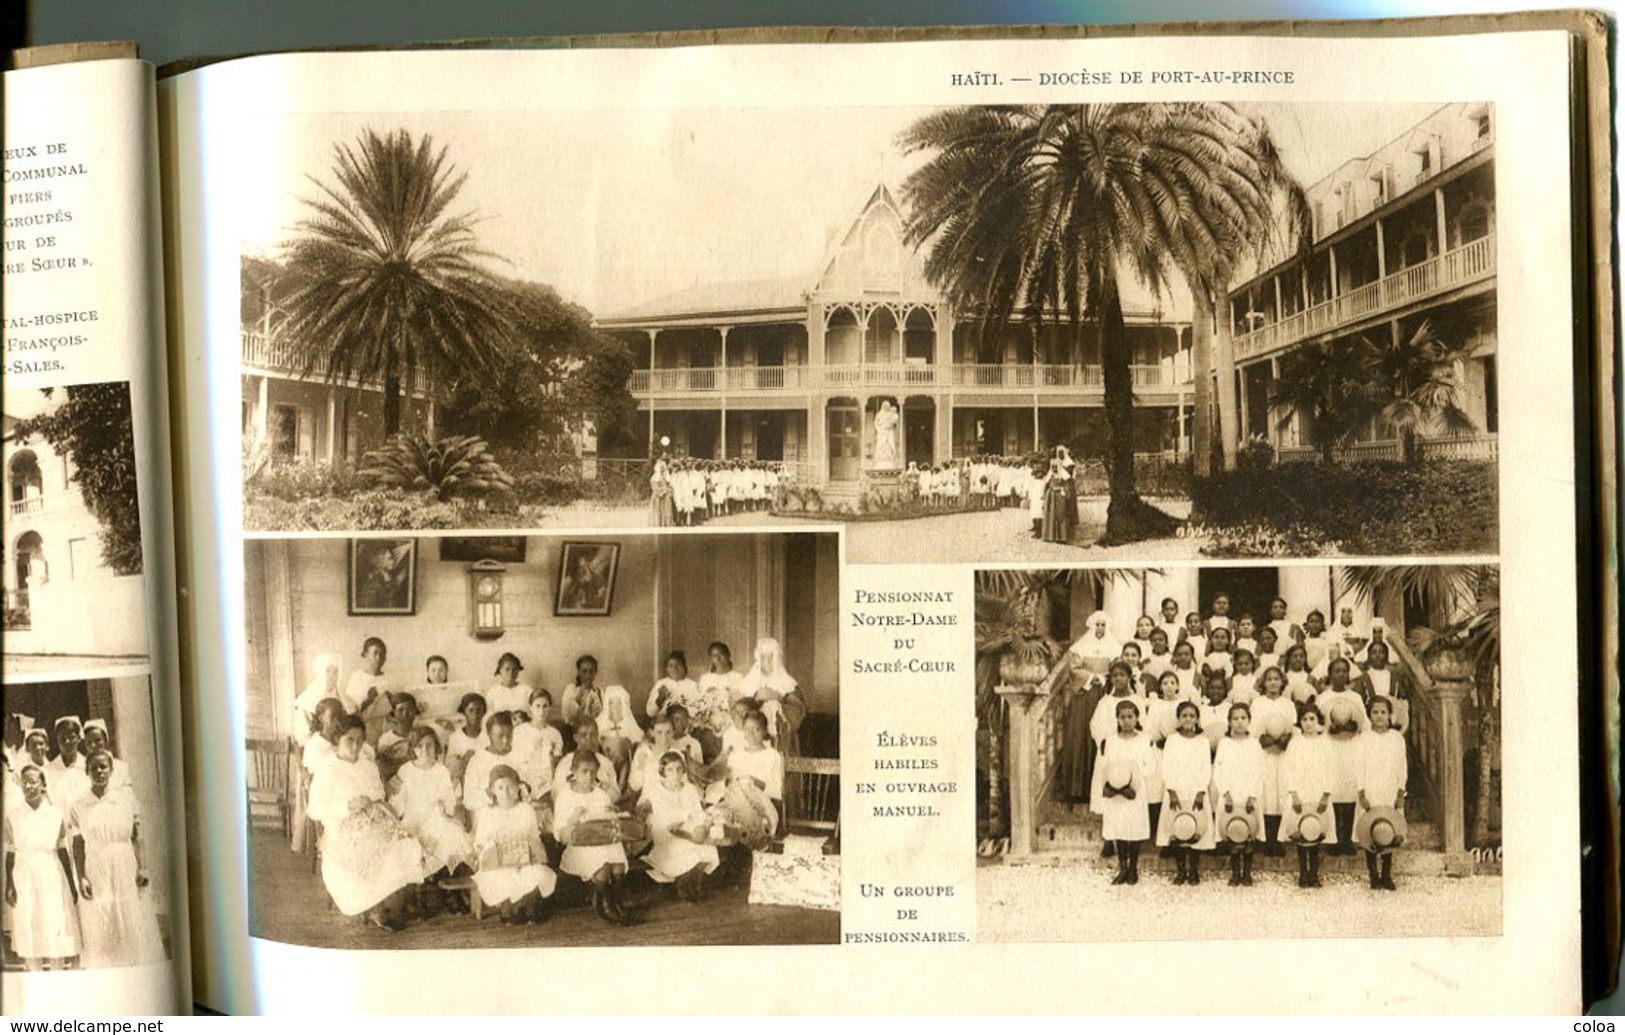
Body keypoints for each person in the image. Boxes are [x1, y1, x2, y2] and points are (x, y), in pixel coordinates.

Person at [305, 716, 424, 930]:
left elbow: (379, 792)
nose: (356, 745)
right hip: (342, 827)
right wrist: (347, 806)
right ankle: (376, 907)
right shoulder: (327, 769)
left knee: (403, 842)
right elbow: (314, 809)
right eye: (349, 740)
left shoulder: (367, 765)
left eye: (360, 740)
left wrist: (371, 801)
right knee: (369, 848)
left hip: (373, 819)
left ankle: (391, 902)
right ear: (336, 740)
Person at [70, 750, 166, 968]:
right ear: (87, 772)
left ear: (112, 770)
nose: (99, 771)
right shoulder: (79, 805)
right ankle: (106, 967)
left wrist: (143, 867)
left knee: (129, 910)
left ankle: (133, 965)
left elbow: (137, 836)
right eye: (94, 768)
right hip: (96, 863)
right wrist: (82, 876)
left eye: (103, 767)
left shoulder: (126, 800)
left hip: (124, 860)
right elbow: (77, 844)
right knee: (102, 911)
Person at [4, 765, 80, 969]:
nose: (29, 786)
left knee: (54, 920)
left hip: (51, 872)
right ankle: (35, 975)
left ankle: (56, 973)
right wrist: (9, 883)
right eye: (25, 782)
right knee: (28, 922)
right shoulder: (13, 816)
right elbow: (10, 852)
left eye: (34, 781)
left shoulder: (56, 814)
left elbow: (63, 850)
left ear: (43, 785)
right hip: (24, 872)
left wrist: (71, 883)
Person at [390, 727, 474, 902]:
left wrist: (444, 806)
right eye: (419, 746)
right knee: (410, 843)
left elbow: (450, 802)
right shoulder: (405, 770)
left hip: (436, 819)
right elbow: (397, 805)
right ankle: (416, 893)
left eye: (429, 745)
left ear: (436, 747)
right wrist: (396, 795)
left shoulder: (442, 770)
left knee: (453, 834)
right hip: (413, 820)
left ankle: (451, 891)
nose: (425, 750)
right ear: (413, 749)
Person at [553, 751, 636, 926]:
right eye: (584, 771)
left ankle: (616, 903)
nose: (589, 776)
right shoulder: (565, 796)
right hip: (580, 846)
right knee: (602, 867)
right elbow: (560, 835)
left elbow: (608, 823)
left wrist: (612, 814)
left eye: (593, 772)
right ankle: (605, 907)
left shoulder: (600, 794)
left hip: (602, 841)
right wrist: (573, 820)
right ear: (573, 771)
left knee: (618, 864)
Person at [472, 765, 557, 924]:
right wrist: (490, 847)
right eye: (500, 787)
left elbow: (534, 838)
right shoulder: (487, 813)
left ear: (518, 788)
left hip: (524, 858)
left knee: (536, 872)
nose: (505, 792)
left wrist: (527, 850)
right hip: (497, 861)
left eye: (510, 786)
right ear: (493, 791)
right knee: (504, 876)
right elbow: (480, 842)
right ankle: (507, 909)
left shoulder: (526, 810)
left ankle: (530, 907)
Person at [637, 750, 720, 900]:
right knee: (691, 850)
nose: (675, 773)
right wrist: (686, 817)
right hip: (666, 833)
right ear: (663, 771)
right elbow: (664, 816)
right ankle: (683, 882)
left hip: (687, 830)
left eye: (678, 769)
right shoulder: (656, 789)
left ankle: (692, 882)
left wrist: (703, 820)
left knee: (708, 848)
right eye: (670, 769)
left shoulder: (690, 789)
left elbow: (697, 812)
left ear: (683, 770)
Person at [1093, 698, 1153, 885]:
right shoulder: (1111, 741)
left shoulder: (1144, 740)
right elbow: (1105, 764)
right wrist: (1111, 786)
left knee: (1133, 829)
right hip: (1116, 793)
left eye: (1130, 717)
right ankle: (1123, 868)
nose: (1126, 721)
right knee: (1119, 827)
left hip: (1135, 791)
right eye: (1122, 717)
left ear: (1137, 718)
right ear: (1117, 719)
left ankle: (1133, 868)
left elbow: (1149, 765)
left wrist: (1132, 785)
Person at [1157, 700, 1215, 885]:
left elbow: (1206, 767)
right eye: (1184, 716)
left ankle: (1194, 870)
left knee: (1197, 826)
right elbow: (1166, 766)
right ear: (1178, 719)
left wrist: (1200, 792)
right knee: (1178, 827)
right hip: (1176, 790)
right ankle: (1181, 870)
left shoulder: (1203, 741)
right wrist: (1172, 791)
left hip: (1196, 790)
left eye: (1192, 716)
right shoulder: (1172, 740)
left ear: (1197, 719)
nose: (1188, 719)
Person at [1317, 657, 1370, 853]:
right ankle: (1335, 839)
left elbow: (1364, 724)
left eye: (1343, 671)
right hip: (1330, 748)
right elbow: (1316, 723)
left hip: (1350, 748)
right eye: (1336, 671)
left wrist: (1352, 726)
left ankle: (1347, 839)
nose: (1340, 674)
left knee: (1349, 791)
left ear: (1349, 674)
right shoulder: (1323, 697)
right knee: (1333, 790)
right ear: (1329, 675)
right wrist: (1329, 728)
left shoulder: (1355, 697)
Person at [1355, 696, 1408, 891]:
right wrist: (1361, 792)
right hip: (1370, 789)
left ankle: (1387, 874)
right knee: (1370, 828)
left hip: (1389, 788)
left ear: (1390, 715)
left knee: (1388, 828)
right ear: (1369, 715)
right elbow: (1359, 766)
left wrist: (1401, 791)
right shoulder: (1364, 738)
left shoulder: (1397, 738)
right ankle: (1373, 874)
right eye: (1375, 712)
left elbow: (1402, 766)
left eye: (1383, 712)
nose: (1379, 716)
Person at [1281, 704, 1336, 887]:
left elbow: (1331, 768)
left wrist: (1326, 795)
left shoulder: (1325, 742)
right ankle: (1303, 873)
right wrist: (1294, 795)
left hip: (1319, 792)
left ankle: (1314, 873)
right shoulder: (1295, 743)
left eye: (1312, 719)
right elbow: (1287, 769)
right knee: (1300, 830)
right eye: (1304, 719)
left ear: (1318, 720)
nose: (1308, 723)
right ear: (1300, 722)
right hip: (1301, 792)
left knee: (1316, 830)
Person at [1212, 704, 1265, 887]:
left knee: (1248, 832)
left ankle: (1247, 873)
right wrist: (1225, 794)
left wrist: (1252, 796)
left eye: (1243, 718)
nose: (1239, 722)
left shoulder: (1254, 744)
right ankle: (1235, 873)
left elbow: (1259, 771)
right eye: (1235, 718)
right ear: (1229, 722)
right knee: (1232, 831)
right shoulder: (1225, 744)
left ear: (1249, 721)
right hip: (1230, 794)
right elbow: (1218, 770)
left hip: (1249, 794)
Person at [1251, 666, 1298, 855]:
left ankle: (1278, 839)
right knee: (1266, 792)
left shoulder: (1288, 704)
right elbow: (1253, 730)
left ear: (1282, 682)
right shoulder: (1257, 703)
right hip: (1264, 753)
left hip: (1283, 753)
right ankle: (1265, 837)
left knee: (1281, 792)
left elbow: (1293, 729)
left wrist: (1285, 739)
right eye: (1269, 679)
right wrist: (1263, 739)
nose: (1273, 683)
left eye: (1276, 679)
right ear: (1263, 683)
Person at [740, 638, 805, 756]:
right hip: (753, 731)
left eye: (771, 657)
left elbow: (799, 708)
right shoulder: (750, 680)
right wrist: (757, 699)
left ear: (777, 659)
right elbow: (741, 707)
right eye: (763, 657)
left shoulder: (787, 682)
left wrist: (778, 697)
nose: (767, 661)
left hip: (780, 735)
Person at [292, 653, 343, 746]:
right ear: (322, 673)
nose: (336, 678)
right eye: (333, 672)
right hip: (314, 745)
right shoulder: (307, 699)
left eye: (337, 672)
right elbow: (303, 734)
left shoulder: (338, 696)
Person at [45, 716, 90, 812]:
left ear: (79, 738)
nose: (67, 741)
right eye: (63, 738)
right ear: (57, 740)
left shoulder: (88, 766)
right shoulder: (49, 770)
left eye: (72, 737)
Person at [647, 651, 697, 720]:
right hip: (664, 723)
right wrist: (660, 699)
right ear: (667, 669)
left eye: (678, 665)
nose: (675, 669)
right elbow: (650, 712)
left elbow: (697, 711)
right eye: (671, 666)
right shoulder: (660, 684)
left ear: (684, 667)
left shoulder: (692, 685)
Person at [486, 653, 534, 717]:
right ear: (500, 670)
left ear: (518, 671)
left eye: (514, 670)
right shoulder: (493, 692)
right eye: (507, 669)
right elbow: (489, 715)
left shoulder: (527, 690)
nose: (511, 673)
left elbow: (533, 714)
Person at [1040, 457, 1074, 544]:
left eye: (1056, 466)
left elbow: (1068, 486)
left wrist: (1063, 490)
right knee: (1051, 515)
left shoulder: (1063, 476)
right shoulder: (1050, 475)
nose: (1054, 468)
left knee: (1060, 515)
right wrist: (1044, 496)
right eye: (1053, 466)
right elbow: (1045, 486)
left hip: (1060, 496)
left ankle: (1061, 537)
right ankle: (1050, 536)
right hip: (1051, 497)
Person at [649, 458, 677, 527]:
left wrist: (669, 491)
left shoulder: (667, 478)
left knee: (667, 513)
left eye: (663, 468)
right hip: (657, 498)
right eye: (660, 468)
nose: (662, 470)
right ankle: (658, 525)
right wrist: (662, 491)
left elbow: (671, 487)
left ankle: (667, 525)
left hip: (666, 498)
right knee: (658, 513)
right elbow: (654, 488)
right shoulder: (654, 478)